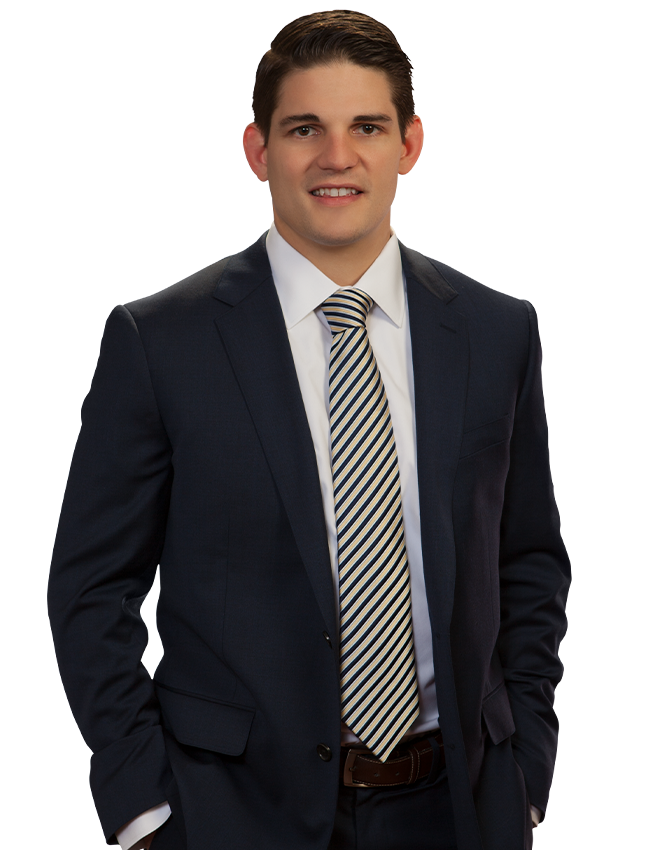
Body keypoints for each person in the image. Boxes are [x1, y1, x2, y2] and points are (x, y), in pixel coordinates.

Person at [47, 10, 571, 850]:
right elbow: (92, 590)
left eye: (367, 126)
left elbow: (529, 563)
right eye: (304, 129)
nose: (337, 156)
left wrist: (526, 777)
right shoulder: (161, 341)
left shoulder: (496, 331)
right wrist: (144, 811)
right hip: (231, 814)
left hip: (459, 808)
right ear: (259, 151)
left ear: (409, 145)